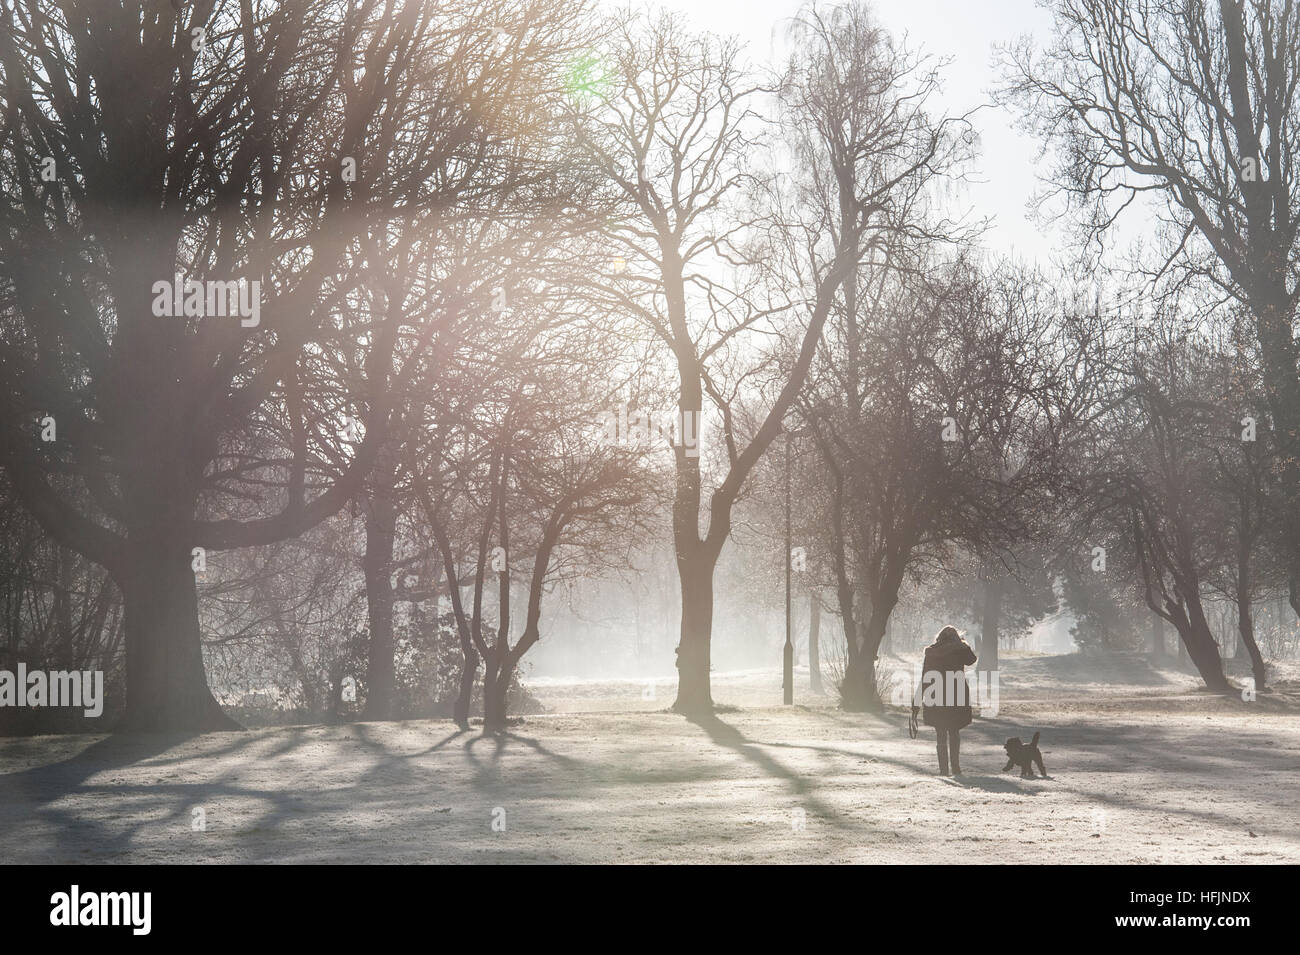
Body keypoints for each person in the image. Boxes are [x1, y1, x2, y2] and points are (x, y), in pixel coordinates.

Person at [912, 626, 977, 776]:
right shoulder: (960, 649)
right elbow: (971, 660)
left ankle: (943, 771)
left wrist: (917, 700)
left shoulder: (931, 652)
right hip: (956, 694)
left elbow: (925, 677)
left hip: (936, 694)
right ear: (956, 637)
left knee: (940, 732)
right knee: (954, 731)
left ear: (938, 638)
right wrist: (963, 644)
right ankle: (956, 768)